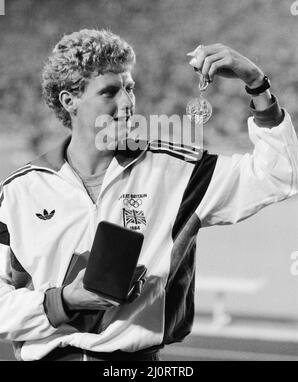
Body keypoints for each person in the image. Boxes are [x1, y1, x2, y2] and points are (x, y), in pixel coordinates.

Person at [0, 29, 297, 361]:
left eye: (130, 89)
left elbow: (279, 175)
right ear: (70, 101)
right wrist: (65, 301)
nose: (127, 103)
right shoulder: (19, 192)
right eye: (110, 92)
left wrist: (257, 84)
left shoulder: (178, 172)